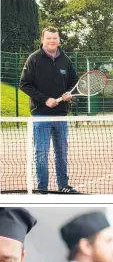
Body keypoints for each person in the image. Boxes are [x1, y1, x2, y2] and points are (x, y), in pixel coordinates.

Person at [19, 26, 79, 193]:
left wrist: (69, 93)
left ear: (59, 39)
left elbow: (74, 82)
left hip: (61, 115)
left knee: (61, 154)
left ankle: (63, 186)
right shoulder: (34, 59)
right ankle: (42, 188)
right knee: (41, 154)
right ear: (42, 40)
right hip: (40, 116)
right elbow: (24, 84)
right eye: (49, 38)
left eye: (55, 38)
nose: (52, 41)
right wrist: (45, 100)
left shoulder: (65, 60)